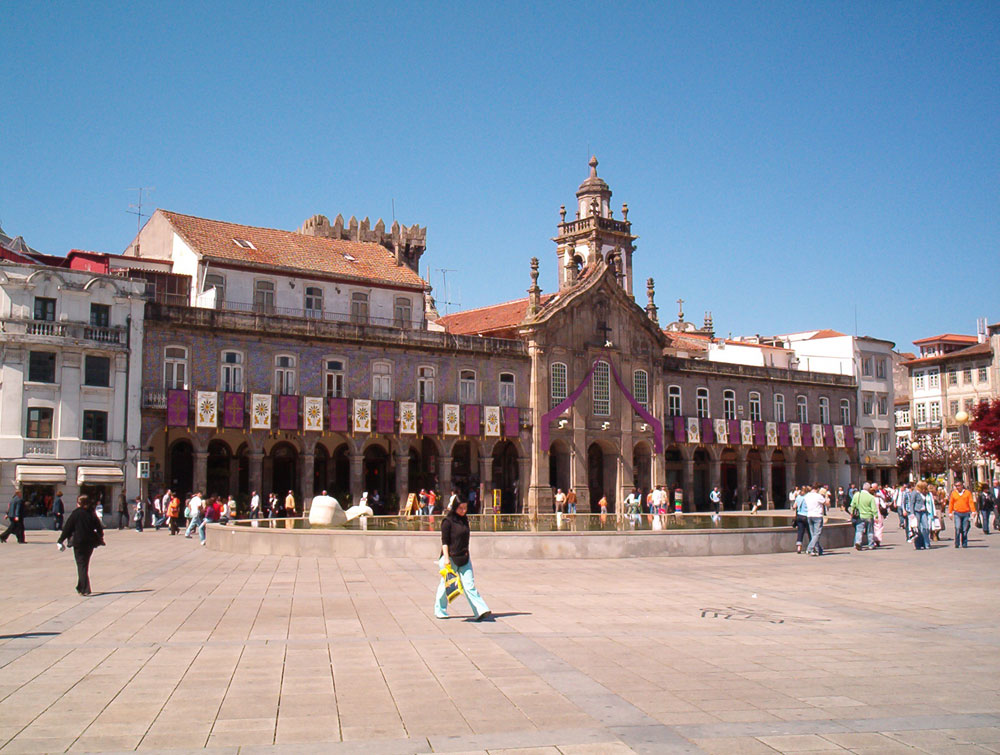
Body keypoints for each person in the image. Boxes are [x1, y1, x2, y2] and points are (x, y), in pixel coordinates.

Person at [434, 499, 491, 621]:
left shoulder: (464, 520)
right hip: (450, 557)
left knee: (469, 585)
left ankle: (480, 610)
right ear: (455, 507)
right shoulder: (447, 521)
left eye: (465, 508)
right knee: (446, 585)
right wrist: (446, 558)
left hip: (464, 557)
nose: (463, 511)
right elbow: (445, 542)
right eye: (461, 508)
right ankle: (440, 610)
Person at [57, 495, 105, 596]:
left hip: (79, 542)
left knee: (81, 564)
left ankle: (85, 588)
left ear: (79, 503)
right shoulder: (91, 513)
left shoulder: (76, 513)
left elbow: (67, 528)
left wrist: (60, 540)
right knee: (84, 564)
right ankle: (80, 586)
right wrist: (100, 537)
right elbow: (99, 527)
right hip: (90, 542)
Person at [850, 482, 878, 550]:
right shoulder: (871, 497)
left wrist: (852, 513)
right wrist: (876, 516)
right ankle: (871, 545)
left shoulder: (857, 495)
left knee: (859, 530)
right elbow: (874, 508)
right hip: (869, 516)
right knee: (870, 531)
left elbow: (852, 505)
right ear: (869, 489)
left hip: (860, 516)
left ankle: (858, 542)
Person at [948, 479, 976, 549]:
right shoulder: (954, 493)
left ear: (962, 485)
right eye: (956, 486)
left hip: (966, 513)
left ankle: (964, 543)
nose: (957, 487)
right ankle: (957, 543)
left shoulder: (967, 493)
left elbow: (971, 502)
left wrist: (973, 511)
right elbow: (951, 503)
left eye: (959, 485)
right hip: (957, 513)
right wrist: (950, 512)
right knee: (957, 528)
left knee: (965, 529)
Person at [804, 484, 826, 556]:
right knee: (817, 534)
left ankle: (818, 550)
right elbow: (827, 503)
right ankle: (809, 549)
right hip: (817, 515)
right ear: (818, 489)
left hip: (809, 515)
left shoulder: (807, 496)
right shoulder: (818, 496)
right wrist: (826, 497)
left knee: (813, 534)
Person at [911, 481, 933, 550]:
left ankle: (927, 544)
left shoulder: (924, 493)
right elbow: (912, 503)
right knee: (918, 528)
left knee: (926, 527)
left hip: (924, 511)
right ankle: (918, 544)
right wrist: (912, 513)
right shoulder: (915, 492)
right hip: (917, 511)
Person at [793, 487, 809, 554]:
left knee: (800, 532)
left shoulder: (798, 497)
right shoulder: (807, 497)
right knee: (810, 532)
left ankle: (799, 548)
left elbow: (794, 506)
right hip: (807, 516)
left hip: (799, 516)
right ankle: (811, 547)